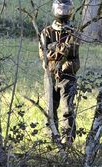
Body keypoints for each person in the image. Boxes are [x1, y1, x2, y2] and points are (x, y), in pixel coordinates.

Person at [39, 0, 79, 144]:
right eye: (61, 9)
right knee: (50, 108)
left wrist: (62, 67)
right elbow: (44, 54)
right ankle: (52, 139)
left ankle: (67, 140)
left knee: (67, 109)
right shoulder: (46, 31)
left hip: (67, 76)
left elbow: (74, 56)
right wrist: (55, 51)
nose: (63, 12)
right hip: (50, 75)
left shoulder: (73, 33)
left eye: (66, 9)